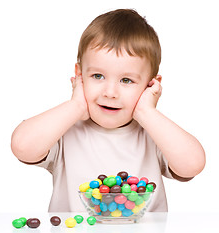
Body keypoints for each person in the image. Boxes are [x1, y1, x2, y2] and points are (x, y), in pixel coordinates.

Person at [11, 9, 205, 212]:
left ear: (150, 85)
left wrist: (148, 112)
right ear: (80, 75)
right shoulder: (64, 130)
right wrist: (75, 106)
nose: (110, 92)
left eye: (126, 80)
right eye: (97, 76)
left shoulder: (155, 133)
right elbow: (22, 146)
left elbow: (193, 164)